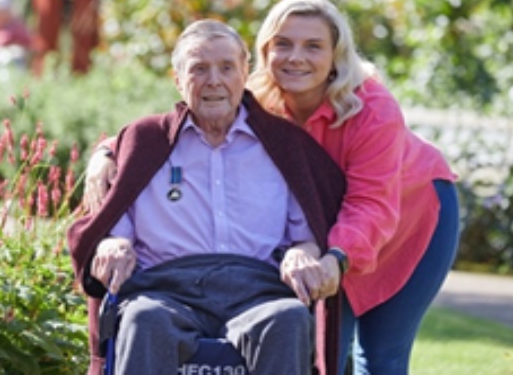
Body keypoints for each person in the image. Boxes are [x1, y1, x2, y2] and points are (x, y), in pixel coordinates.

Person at [84, 0, 461, 375]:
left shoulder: (369, 109)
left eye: (313, 46)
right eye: (283, 44)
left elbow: (371, 204)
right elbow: (161, 132)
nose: (296, 57)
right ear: (264, 54)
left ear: (336, 55)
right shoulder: (261, 97)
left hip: (407, 216)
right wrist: (105, 152)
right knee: (329, 353)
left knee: (379, 355)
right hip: (329, 232)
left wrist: (327, 256)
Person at [67, 19, 346, 375]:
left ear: (245, 73)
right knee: (143, 319)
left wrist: (302, 253)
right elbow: (116, 226)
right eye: (199, 68)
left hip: (257, 291)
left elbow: (307, 236)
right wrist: (113, 244)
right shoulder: (146, 140)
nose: (214, 80)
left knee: (288, 317)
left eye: (226, 67)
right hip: (165, 290)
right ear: (178, 79)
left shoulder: (283, 144)